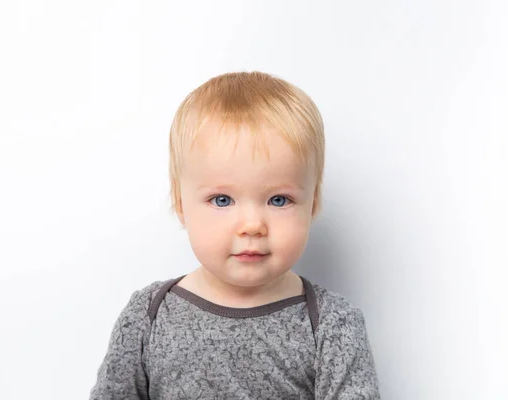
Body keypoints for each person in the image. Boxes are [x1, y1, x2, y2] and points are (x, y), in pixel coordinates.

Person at [89, 71, 381, 399]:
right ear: (180, 203)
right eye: (222, 200)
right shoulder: (149, 313)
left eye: (278, 200)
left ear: (312, 204)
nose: (252, 225)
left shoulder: (331, 323)